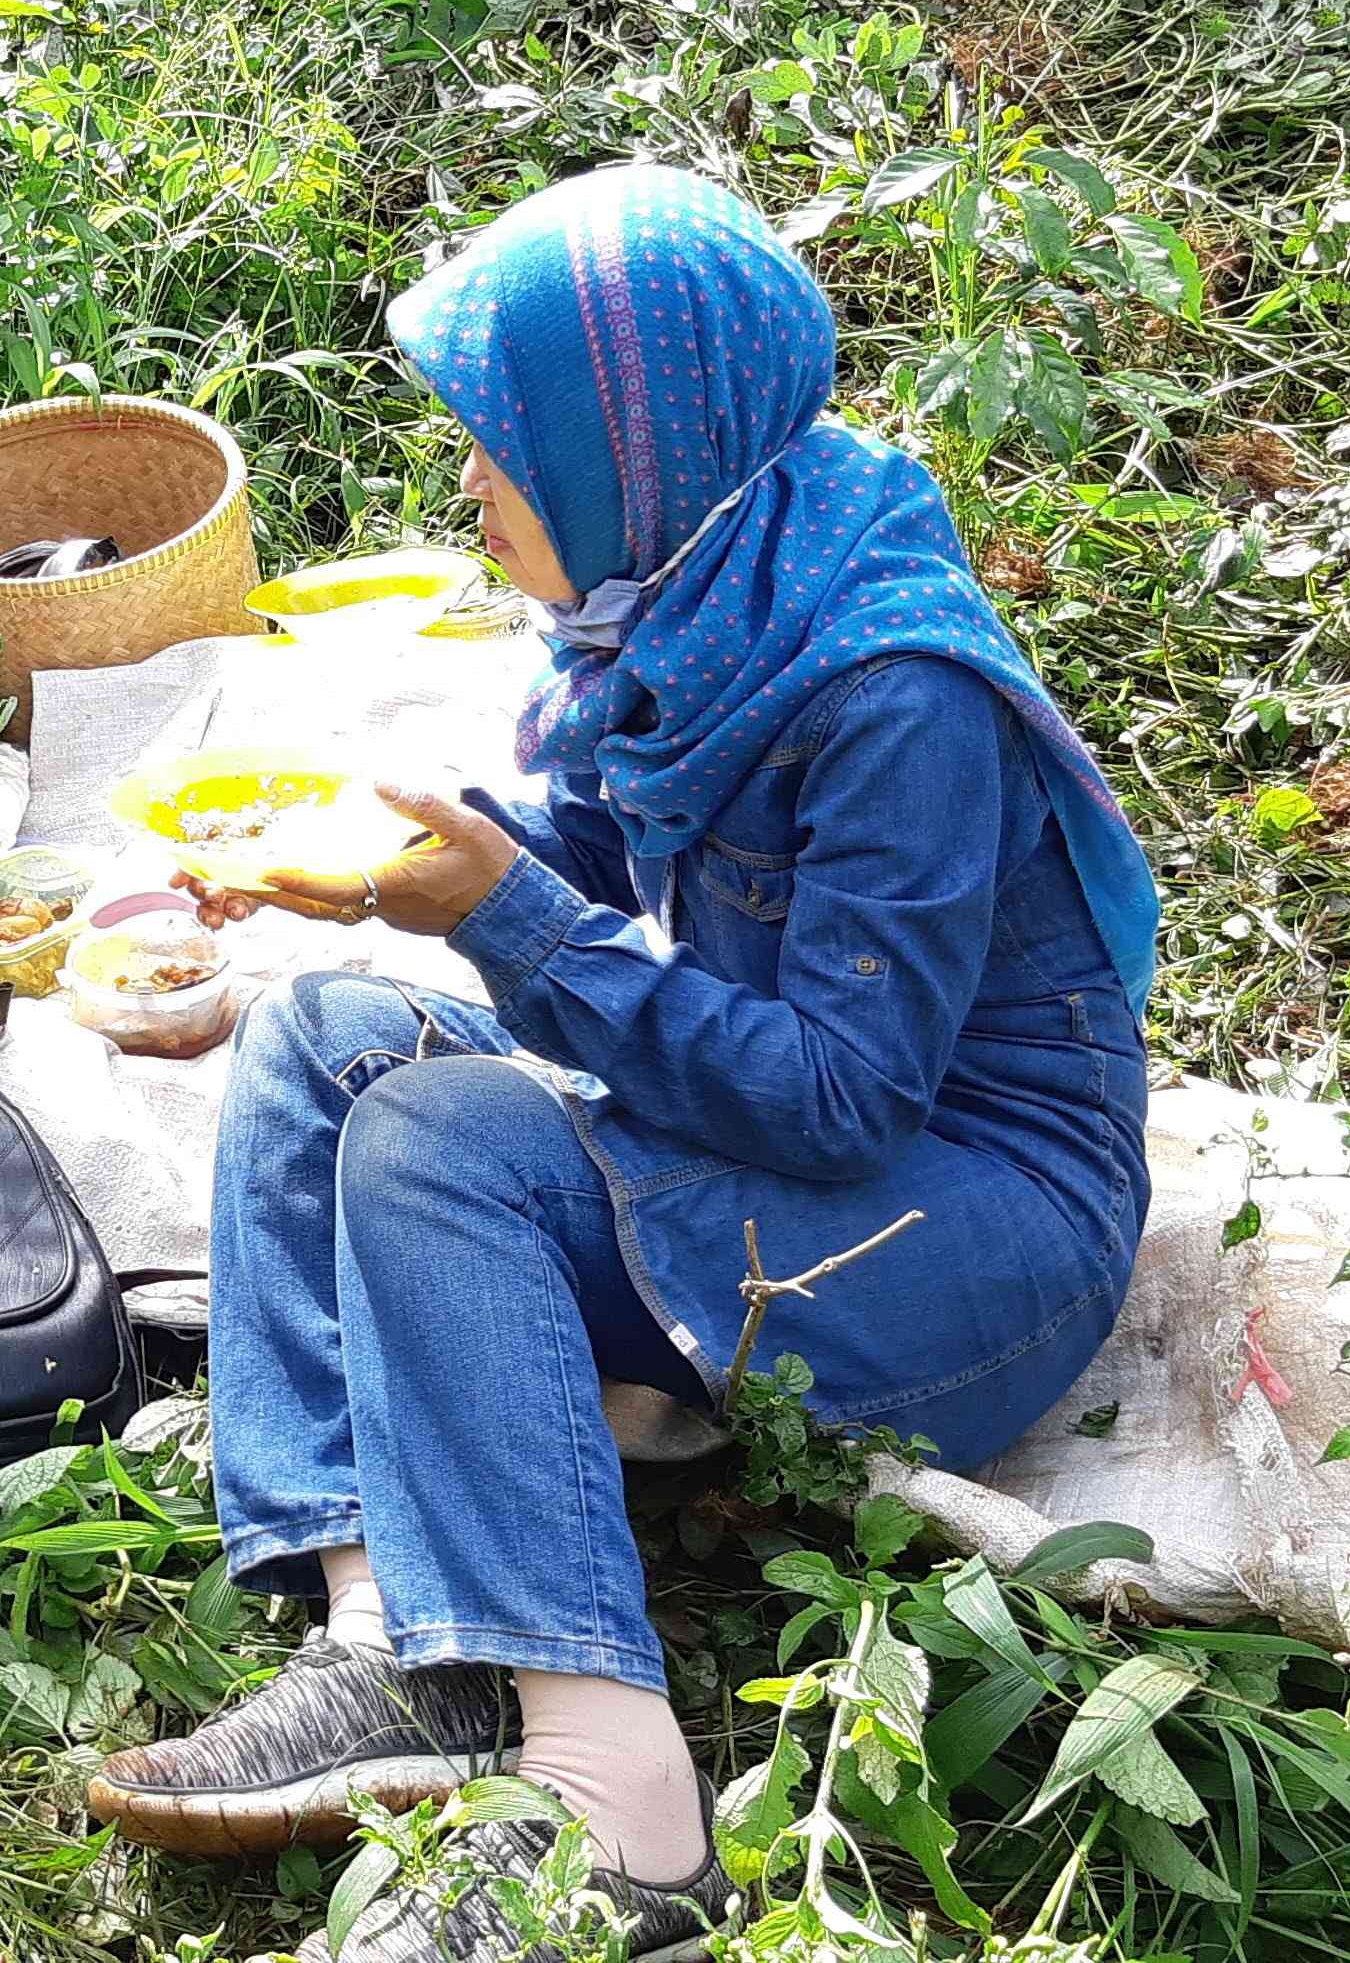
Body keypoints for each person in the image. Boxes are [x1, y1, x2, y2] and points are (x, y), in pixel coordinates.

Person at [80, 165, 1162, 1961]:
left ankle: (624, 1821)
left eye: (503, 454)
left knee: (439, 1142)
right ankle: (387, 1647)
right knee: (321, 1045)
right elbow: (591, 848)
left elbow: (841, 1098)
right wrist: (370, 879)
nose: (478, 496)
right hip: (830, 1175)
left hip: (969, 1244)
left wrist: (509, 923)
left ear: (623, 460)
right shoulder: (695, 590)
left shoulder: (895, 689)